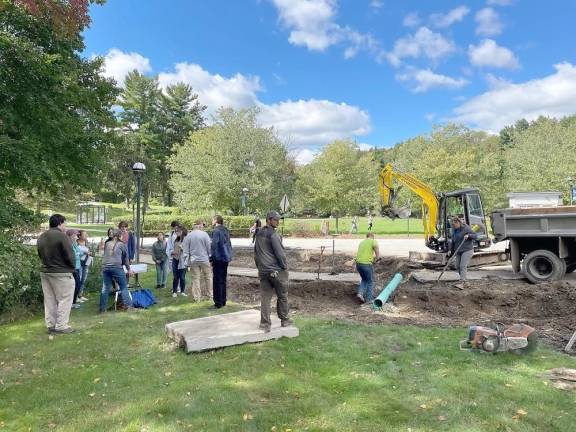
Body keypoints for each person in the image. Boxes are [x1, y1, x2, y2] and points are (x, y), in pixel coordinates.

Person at [37, 214, 76, 334]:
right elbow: (70, 255)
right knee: (65, 298)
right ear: (60, 223)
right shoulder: (62, 236)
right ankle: (62, 325)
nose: (66, 226)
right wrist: (72, 267)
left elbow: (39, 253)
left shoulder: (42, 236)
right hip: (61, 272)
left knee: (49, 300)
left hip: (45, 271)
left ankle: (51, 325)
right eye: (65, 223)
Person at [254, 211, 292, 332]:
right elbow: (280, 254)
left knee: (265, 298)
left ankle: (264, 324)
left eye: (278, 219)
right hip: (276, 271)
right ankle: (285, 320)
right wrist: (284, 267)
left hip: (264, 271)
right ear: (269, 220)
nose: (278, 222)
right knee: (283, 296)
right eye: (276, 220)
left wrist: (259, 268)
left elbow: (256, 254)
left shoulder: (259, 234)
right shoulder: (273, 235)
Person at [99, 229, 134, 313]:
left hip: (105, 268)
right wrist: (129, 269)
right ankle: (129, 307)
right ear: (119, 236)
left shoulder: (107, 243)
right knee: (123, 287)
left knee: (105, 288)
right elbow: (126, 259)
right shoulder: (122, 244)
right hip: (116, 268)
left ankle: (102, 309)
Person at [182, 220, 212, 301]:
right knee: (208, 277)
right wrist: (210, 257)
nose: (202, 226)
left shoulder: (189, 236)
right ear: (198, 225)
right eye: (202, 225)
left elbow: (185, 250)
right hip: (204, 259)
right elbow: (209, 247)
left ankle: (197, 297)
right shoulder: (204, 234)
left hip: (194, 260)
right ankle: (210, 295)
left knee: (196, 279)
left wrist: (186, 262)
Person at [211, 215, 233, 309]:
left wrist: (211, 258)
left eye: (212, 220)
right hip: (226, 258)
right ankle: (223, 301)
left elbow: (214, 245)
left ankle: (218, 303)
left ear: (216, 220)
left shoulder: (216, 231)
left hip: (218, 258)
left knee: (217, 281)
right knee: (223, 280)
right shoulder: (226, 230)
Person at [449, 217, 477, 288]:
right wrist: (451, 251)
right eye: (452, 225)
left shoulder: (466, 228)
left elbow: (475, 236)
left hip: (467, 250)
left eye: (454, 225)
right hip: (459, 251)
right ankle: (465, 282)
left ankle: (462, 282)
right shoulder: (454, 230)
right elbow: (453, 242)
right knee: (457, 266)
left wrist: (469, 235)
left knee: (462, 266)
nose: (453, 226)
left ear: (459, 223)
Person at [355, 232, 379, 304]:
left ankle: (360, 293)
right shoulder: (373, 241)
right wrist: (377, 258)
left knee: (364, 279)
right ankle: (369, 299)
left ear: (366, 236)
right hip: (366, 264)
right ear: (372, 236)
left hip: (358, 264)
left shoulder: (362, 242)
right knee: (370, 281)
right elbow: (376, 249)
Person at [66, 230, 83, 309]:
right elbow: (73, 256)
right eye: (75, 235)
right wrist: (77, 254)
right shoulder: (68, 244)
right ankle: (72, 303)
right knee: (75, 286)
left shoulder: (74, 244)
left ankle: (73, 302)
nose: (77, 237)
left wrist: (77, 252)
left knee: (78, 285)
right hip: (72, 268)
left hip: (77, 267)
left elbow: (81, 252)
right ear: (71, 236)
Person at [171, 226, 188, 298]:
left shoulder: (186, 240)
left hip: (182, 261)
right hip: (175, 259)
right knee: (175, 277)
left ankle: (182, 291)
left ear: (182, 232)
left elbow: (187, 251)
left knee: (182, 277)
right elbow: (172, 249)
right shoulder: (176, 240)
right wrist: (172, 252)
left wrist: (182, 248)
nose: (176, 233)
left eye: (178, 231)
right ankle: (174, 291)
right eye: (176, 231)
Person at [77, 230, 92, 302]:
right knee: (78, 279)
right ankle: (76, 296)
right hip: (79, 263)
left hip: (86, 263)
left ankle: (80, 295)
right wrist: (84, 252)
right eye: (85, 235)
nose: (86, 236)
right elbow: (75, 252)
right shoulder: (76, 243)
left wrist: (89, 253)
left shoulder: (87, 242)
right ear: (79, 236)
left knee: (83, 279)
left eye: (87, 234)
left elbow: (90, 251)